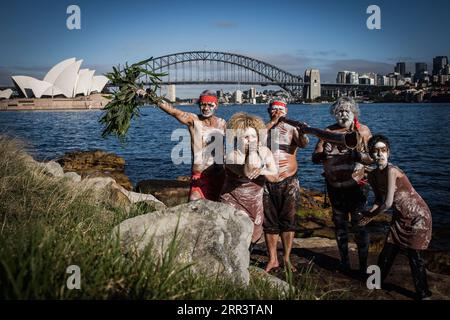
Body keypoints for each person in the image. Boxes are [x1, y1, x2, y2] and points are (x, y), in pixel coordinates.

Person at [359, 134, 432, 300]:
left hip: (418, 217)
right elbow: (379, 200)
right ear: (371, 154)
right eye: (375, 151)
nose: (379, 154)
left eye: (383, 150)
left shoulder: (392, 170)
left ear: (388, 152)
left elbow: (389, 203)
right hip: (400, 218)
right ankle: (375, 282)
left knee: (415, 256)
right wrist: (369, 212)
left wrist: (371, 215)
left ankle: (423, 294)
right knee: (387, 252)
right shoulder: (372, 175)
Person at [312, 97, 372, 273]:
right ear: (334, 113)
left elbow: (372, 157)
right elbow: (315, 155)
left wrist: (359, 156)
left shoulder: (363, 131)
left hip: (356, 186)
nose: (343, 113)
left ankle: (363, 266)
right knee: (339, 225)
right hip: (334, 186)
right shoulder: (327, 131)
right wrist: (320, 156)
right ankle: (344, 261)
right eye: (340, 110)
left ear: (354, 112)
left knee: (359, 225)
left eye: (347, 110)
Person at [138, 89, 226, 202]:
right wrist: (149, 97)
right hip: (199, 177)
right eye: (203, 104)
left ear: (216, 106)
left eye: (210, 105)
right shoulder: (193, 120)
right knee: (195, 211)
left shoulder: (222, 123)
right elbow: (173, 111)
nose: (206, 108)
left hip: (219, 176)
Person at [263, 98, 309, 272]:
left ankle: (287, 258)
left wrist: (303, 132)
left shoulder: (292, 128)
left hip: (289, 180)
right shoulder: (263, 130)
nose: (276, 112)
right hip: (267, 182)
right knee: (270, 222)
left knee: (288, 221)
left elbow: (303, 144)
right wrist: (272, 123)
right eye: (273, 109)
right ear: (269, 111)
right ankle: (272, 259)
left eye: (280, 110)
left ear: (286, 111)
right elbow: (251, 143)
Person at [220, 112, 277, 250]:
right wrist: (252, 152)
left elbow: (275, 177)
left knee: (253, 238)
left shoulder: (265, 152)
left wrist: (262, 170)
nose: (251, 140)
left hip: (254, 205)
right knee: (234, 240)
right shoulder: (231, 156)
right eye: (246, 137)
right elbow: (247, 172)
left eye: (254, 136)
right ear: (237, 138)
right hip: (233, 204)